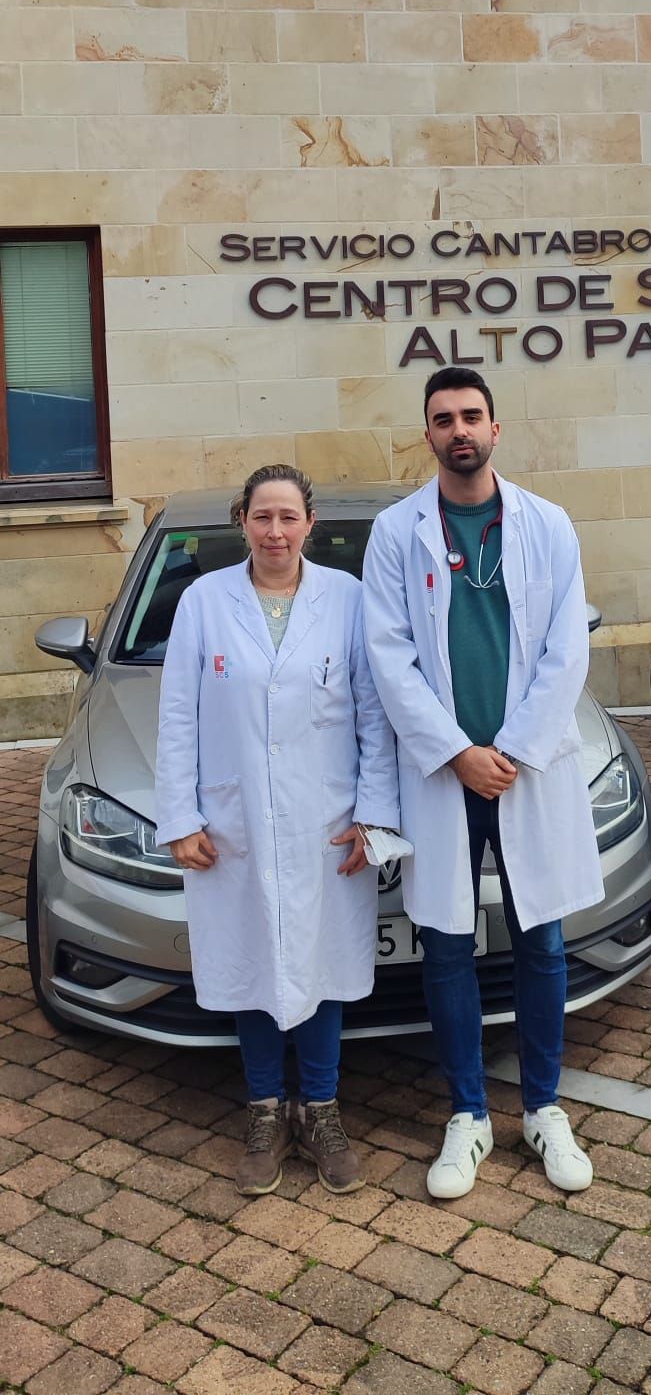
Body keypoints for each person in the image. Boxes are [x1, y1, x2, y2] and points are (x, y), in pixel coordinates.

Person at [362, 368, 603, 1200]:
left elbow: (567, 648)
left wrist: (514, 746)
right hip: (444, 771)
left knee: (541, 937)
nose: (458, 430)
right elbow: (387, 657)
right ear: (425, 434)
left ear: (496, 428)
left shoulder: (548, 525)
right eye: (442, 419)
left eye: (471, 416)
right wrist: (457, 751)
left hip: (525, 769)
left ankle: (542, 1108)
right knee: (448, 942)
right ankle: (467, 1114)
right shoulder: (396, 533)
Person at [155, 463, 399, 1199]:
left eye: (288, 517)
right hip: (233, 824)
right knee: (251, 960)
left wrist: (375, 815)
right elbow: (178, 716)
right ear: (243, 522)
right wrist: (181, 817)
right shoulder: (203, 602)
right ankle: (266, 1112)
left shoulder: (348, 600)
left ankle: (320, 1110)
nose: (275, 531)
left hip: (325, 821)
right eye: (262, 517)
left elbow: (372, 715)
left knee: (321, 963)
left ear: (308, 524)